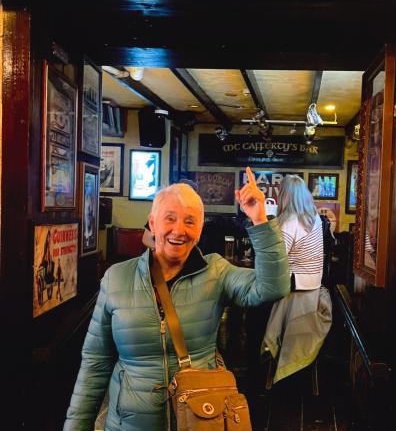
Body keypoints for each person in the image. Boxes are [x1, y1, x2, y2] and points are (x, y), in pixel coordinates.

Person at [64, 167, 290, 431]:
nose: (178, 230)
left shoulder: (216, 272)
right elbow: (95, 363)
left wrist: (260, 220)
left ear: (200, 228)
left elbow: (272, 287)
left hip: (200, 419)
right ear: (152, 222)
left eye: (190, 221)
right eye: (169, 219)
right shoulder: (116, 279)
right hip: (129, 424)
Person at [261, 174, 332, 384]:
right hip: (313, 287)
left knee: (255, 312)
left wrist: (268, 224)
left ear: (285, 197)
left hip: (293, 289)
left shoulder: (289, 222)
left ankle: (260, 363)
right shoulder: (316, 219)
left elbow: (276, 261)